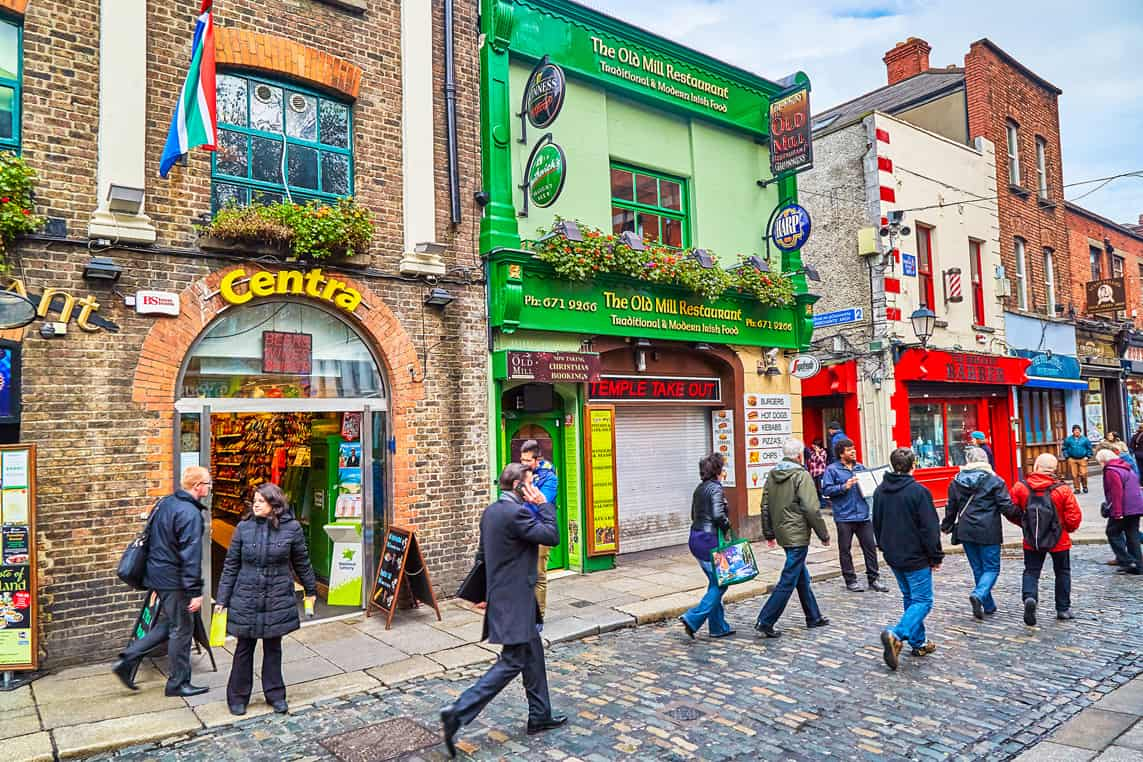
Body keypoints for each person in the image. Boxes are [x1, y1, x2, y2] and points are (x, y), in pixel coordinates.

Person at [440, 464, 564, 757]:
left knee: (533, 654)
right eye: (531, 482)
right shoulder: (517, 513)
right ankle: (457, 712)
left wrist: (484, 594)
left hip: (508, 597)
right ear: (520, 487)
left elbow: (482, 555)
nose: (534, 486)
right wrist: (543, 504)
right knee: (512, 661)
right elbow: (551, 536)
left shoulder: (492, 511)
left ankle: (540, 715)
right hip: (516, 600)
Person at [215, 483, 318, 716]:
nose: (256, 504)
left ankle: (275, 694)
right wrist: (222, 598)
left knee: (273, 646)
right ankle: (238, 697)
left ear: (274, 504)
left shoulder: (292, 529)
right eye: (255, 500)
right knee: (244, 647)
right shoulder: (243, 528)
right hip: (247, 594)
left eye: (261, 501)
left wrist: (311, 590)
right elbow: (231, 565)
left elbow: (301, 561)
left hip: (277, 594)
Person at [112, 466, 211, 696]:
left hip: (158, 575)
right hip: (174, 579)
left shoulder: (166, 502)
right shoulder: (189, 514)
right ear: (197, 486)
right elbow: (190, 556)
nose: (209, 487)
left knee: (171, 624)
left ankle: (127, 660)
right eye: (207, 483)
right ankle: (178, 683)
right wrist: (195, 591)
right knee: (182, 630)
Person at [873, 448, 943, 670]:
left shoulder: (880, 491)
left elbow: (876, 522)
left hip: (894, 554)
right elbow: (930, 528)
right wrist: (936, 555)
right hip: (915, 556)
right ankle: (898, 634)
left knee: (910, 597)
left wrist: (883, 546)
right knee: (923, 600)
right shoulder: (918, 492)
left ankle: (918, 642)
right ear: (914, 464)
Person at [754, 438, 831, 638]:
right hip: (797, 533)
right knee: (789, 578)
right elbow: (811, 508)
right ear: (799, 455)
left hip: (783, 531)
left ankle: (813, 616)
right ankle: (766, 619)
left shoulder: (773, 474)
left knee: (800, 575)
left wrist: (769, 532)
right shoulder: (801, 475)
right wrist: (823, 534)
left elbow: (764, 505)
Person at [942, 446, 1019, 619]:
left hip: (966, 530)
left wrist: (946, 525)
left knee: (978, 568)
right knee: (991, 568)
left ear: (968, 461)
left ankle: (988, 605)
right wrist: (1022, 516)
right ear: (985, 461)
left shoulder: (956, 481)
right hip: (988, 530)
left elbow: (951, 508)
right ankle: (979, 595)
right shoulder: (995, 481)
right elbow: (1006, 507)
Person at [1009, 454, 1083, 625]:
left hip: (1032, 538)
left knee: (1031, 571)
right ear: (1054, 469)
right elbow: (1074, 516)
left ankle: (1030, 597)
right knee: (1062, 572)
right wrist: (1067, 529)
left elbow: (1010, 509)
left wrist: (1024, 525)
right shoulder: (1062, 489)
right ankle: (1063, 608)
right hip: (1059, 539)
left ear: (1036, 467)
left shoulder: (1021, 487)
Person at [679, 453, 734, 639]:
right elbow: (719, 516)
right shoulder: (716, 489)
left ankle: (718, 627)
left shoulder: (699, 488)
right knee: (722, 583)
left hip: (696, 537)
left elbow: (693, 515)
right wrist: (728, 527)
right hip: (709, 540)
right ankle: (692, 618)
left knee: (714, 582)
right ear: (718, 471)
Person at [821, 439, 887, 593]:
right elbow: (826, 491)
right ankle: (850, 580)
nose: (853, 452)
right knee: (845, 549)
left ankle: (874, 579)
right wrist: (844, 486)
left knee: (870, 548)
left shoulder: (861, 468)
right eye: (850, 450)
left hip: (863, 515)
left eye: (854, 449)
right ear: (841, 453)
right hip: (844, 516)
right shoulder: (832, 470)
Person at [519, 440, 559, 619]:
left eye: (527, 461)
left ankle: (538, 616)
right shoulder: (522, 474)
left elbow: (541, 502)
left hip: (540, 528)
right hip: (523, 529)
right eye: (522, 460)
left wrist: (524, 500)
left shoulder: (549, 478)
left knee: (538, 574)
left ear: (537, 459)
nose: (524, 464)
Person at [1097, 448, 1143, 574]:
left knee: (1112, 532)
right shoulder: (1126, 467)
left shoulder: (1111, 471)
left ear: (1103, 461)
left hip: (1124, 508)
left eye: (1099, 462)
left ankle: (1127, 561)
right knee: (1132, 535)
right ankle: (1138, 565)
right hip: (1136, 507)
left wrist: (1117, 513)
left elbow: (1116, 493)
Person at [1062, 425, 1094, 493]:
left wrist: (1088, 456)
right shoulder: (1068, 439)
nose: (1077, 432)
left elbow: (1089, 448)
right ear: (1073, 431)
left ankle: (1085, 486)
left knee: (1083, 473)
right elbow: (1064, 448)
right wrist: (1067, 457)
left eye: (1078, 430)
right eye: (1075, 430)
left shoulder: (1085, 439)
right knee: (1074, 475)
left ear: (1080, 431)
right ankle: (1077, 488)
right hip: (1072, 459)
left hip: (1082, 458)